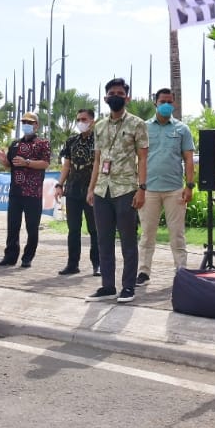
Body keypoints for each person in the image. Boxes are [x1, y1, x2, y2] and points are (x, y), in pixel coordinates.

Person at [86, 78, 149, 303]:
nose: (116, 96)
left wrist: (142, 189)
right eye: (111, 93)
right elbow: (97, 160)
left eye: (120, 93)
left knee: (128, 240)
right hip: (103, 190)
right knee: (103, 240)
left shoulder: (137, 124)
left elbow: (142, 159)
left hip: (126, 189)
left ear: (127, 97)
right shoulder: (99, 126)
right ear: (105, 98)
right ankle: (107, 286)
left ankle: (128, 287)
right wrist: (91, 188)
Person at [137, 88, 196, 285]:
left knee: (177, 234)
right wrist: (139, 187)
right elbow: (138, 158)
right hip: (149, 190)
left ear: (174, 104)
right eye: (163, 101)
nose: (166, 105)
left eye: (170, 102)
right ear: (155, 102)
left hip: (175, 190)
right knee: (147, 234)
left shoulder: (182, 129)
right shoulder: (143, 128)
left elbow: (188, 159)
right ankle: (143, 272)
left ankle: (182, 271)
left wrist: (189, 186)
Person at [0, 111, 51, 269]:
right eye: (24, 122)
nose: (26, 125)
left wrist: (27, 162)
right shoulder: (15, 144)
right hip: (16, 192)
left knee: (32, 227)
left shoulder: (42, 143)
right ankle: (10, 257)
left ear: (36, 125)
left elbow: (45, 163)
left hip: (33, 192)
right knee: (12, 226)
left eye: (30, 122)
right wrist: (3, 159)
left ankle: (27, 257)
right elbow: (10, 165)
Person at [57, 108, 100, 277]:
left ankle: (98, 264)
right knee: (73, 229)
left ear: (92, 121)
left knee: (94, 230)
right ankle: (72, 264)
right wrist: (59, 184)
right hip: (73, 190)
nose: (81, 122)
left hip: (92, 191)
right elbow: (66, 165)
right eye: (79, 119)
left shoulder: (99, 140)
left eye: (84, 119)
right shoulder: (71, 141)